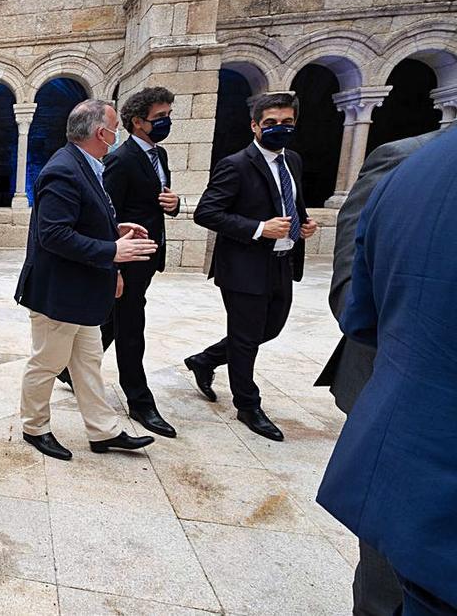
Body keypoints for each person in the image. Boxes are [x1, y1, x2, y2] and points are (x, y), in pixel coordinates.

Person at [317, 126, 457, 616]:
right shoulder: (403, 163)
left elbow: (362, 311)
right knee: (383, 593)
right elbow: (351, 302)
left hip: (405, 451)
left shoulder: (422, 164)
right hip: (416, 450)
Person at [14, 100, 158, 460]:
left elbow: (83, 219)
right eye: (114, 127)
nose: (117, 134)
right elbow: (54, 234)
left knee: (88, 363)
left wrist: (116, 230)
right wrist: (113, 251)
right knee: (47, 362)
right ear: (100, 133)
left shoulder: (88, 165)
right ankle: (34, 427)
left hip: (81, 292)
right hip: (58, 294)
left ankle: (103, 431)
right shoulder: (63, 170)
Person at [184, 93, 317, 441]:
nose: (279, 129)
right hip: (244, 266)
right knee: (246, 340)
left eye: (287, 123)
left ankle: (205, 359)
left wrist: (302, 224)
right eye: (271, 123)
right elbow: (207, 213)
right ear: (255, 125)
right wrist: (259, 229)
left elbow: (290, 203)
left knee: (268, 330)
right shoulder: (236, 164)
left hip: (282, 262)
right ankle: (248, 404)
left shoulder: (294, 162)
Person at [95, 87, 181, 438]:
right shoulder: (121, 159)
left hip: (148, 255)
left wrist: (174, 205)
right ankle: (140, 400)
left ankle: (68, 369)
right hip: (128, 257)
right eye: (159, 117)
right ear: (137, 122)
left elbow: (158, 204)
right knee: (132, 328)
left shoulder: (159, 155)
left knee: (116, 320)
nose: (166, 122)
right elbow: (108, 214)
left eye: (167, 115)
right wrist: (113, 267)